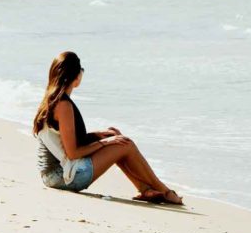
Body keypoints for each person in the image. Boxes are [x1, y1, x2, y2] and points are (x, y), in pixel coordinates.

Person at [32, 51, 183, 205]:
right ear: (75, 77)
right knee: (125, 144)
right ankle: (165, 192)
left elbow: (66, 139)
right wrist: (106, 142)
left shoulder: (51, 99)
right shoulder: (63, 105)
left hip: (54, 175)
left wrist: (100, 135)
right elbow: (73, 153)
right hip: (62, 177)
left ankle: (146, 190)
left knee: (117, 140)